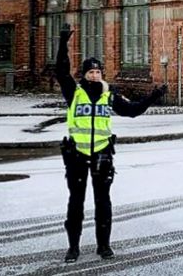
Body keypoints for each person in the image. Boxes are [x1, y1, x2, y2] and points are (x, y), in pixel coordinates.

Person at [54, 23, 166, 262]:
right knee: (76, 202)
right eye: (90, 72)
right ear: (84, 75)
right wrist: (63, 43)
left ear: (101, 74)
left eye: (98, 72)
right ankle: (73, 247)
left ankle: (103, 246)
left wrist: (153, 97)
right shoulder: (74, 92)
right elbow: (61, 71)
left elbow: (132, 111)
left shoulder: (109, 96)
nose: (94, 75)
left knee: (103, 202)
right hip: (76, 154)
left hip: (102, 154)